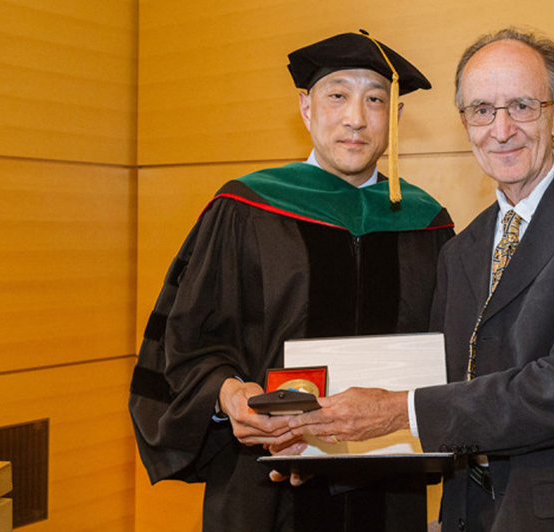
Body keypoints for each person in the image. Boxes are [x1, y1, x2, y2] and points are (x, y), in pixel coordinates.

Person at [286, 27, 554, 531]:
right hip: (472, 515)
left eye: (522, 106)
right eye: (482, 110)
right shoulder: (461, 248)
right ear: (465, 122)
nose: (501, 129)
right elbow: (442, 385)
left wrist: (396, 410)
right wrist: (323, 436)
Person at [128, 31, 455, 532]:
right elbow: (186, 345)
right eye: (337, 95)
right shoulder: (246, 210)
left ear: (396, 117)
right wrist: (228, 396)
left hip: (387, 490)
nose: (356, 117)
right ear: (306, 108)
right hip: (265, 490)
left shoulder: (426, 224)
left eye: (375, 99)